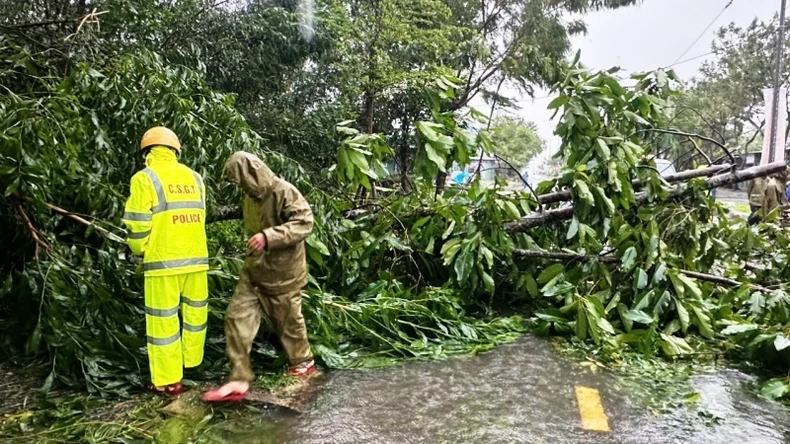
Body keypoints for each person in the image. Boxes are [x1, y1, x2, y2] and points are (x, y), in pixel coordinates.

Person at [203, 151, 315, 403]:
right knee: (236, 317)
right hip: (254, 271)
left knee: (288, 320)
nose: (240, 186)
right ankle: (239, 377)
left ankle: (303, 362)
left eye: (240, 180)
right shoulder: (249, 198)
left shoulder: (284, 191)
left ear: (251, 173)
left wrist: (269, 237)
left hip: (285, 273)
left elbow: (305, 221)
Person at [122, 126, 209, 396]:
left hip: (163, 263)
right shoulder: (195, 177)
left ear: (147, 151)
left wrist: (138, 248)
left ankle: (168, 380)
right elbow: (200, 215)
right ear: (175, 150)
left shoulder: (144, 178)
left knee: (163, 322)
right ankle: (191, 362)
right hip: (196, 260)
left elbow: (137, 222)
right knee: (195, 315)